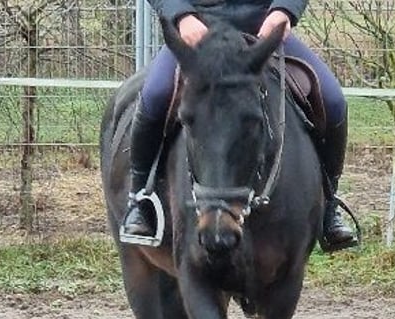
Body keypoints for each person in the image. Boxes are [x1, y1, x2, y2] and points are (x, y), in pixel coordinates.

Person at [121, 0, 357, 251]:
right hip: (198, 26)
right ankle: (140, 200)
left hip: (263, 27)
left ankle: (330, 205)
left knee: (333, 101)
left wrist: (284, 10)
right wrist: (180, 15)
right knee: (155, 96)